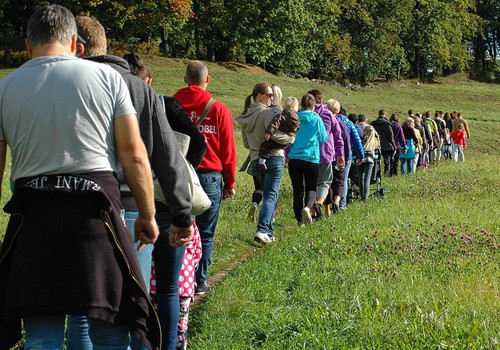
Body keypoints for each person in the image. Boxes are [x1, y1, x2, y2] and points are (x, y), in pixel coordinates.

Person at [0, 5, 161, 349]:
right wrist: (146, 214)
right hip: (96, 219)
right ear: (75, 42)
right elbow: (134, 154)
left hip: (34, 221)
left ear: (28, 46)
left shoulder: (6, 87)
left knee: (41, 334)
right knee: (109, 326)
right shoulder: (108, 79)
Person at [75, 16, 194, 350]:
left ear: (76, 46)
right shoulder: (141, 88)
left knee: (83, 315)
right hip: (130, 210)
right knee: (132, 311)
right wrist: (182, 213)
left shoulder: (68, 86)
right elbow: (168, 157)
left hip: (75, 207)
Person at [173, 60, 237, 294]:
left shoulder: (170, 104)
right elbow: (228, 150)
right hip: (209, 177)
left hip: (176, 174)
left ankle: (176, 279)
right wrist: (230, 182)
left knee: (176, 228)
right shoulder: (218, 109)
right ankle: (200, 280)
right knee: (206, 231)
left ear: (184, 79)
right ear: (207, 79)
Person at [237, 83, 295, 244]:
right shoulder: (267, 113)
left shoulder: (246, 115)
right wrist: (291, 139)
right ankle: (263, 229)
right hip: (274, 157)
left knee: (269, 195)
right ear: (260, 96)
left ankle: (268, 232)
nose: (272, 98)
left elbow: (246, 144)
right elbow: (275, 135)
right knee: (271, 195)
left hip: (255, 160)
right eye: (269, 95)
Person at [287, 93, 328, 225]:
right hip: (311, 159)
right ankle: (307, 208)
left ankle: (300, 222)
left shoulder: (295, 117)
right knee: (311, 188)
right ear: (314, 105)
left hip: (295, 158)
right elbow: (323, 138)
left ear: (301, 104)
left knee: (298, 190)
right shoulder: (317, 119)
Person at [307, 89, 344, 217]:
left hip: (308, 154)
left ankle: (312, 211)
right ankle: (319, 202)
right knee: (324, 182)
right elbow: (338, 136)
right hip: (325, 154)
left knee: (310, 183)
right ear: (321, 100)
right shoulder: (329, 114)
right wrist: (340, 155)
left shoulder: (303, 113)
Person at [327, 101, 364, 210]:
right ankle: (341, 204)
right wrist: (361, 155)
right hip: (344, 155)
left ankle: (328, 204)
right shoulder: (348, 123)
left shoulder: (324, 119)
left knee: (329, 180)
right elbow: (356, 140)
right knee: (343, 180)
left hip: (329, 154)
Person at [176, 221, 202, 350]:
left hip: (157, 285)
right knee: (181, 324)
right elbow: (198, 252)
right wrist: (191, 267)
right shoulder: (190, 225)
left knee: (159, 321)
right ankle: (180, 346)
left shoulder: (158, 222)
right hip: (185, 284)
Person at [258, 97, 300, 172]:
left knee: (265, 147)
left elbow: (274, 124)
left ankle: (261, 163)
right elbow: (296, 129)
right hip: (287, 139)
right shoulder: (296, 119)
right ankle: (283, 161)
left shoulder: (282, 115)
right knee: (281, 148)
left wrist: (269, 132)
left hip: (279, 136)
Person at [370, 110, 396, 177]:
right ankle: (386, 174)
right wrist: (394, 145)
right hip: (387, 145)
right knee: (387, 161)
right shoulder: (387, 124)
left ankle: (377, 174)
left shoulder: (373, 124)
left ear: (378, 114)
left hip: (376, 145)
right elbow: (391, 136)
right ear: (385, 115)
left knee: (377, 160)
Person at [358, 126, 380, 200]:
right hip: (370, 159)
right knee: (367, 179)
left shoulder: (362, 139)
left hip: (360, 159)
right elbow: (378, 152)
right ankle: (366, 197)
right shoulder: (375, 141)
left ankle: (361, 194)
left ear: (365, 132)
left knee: (361, 178)